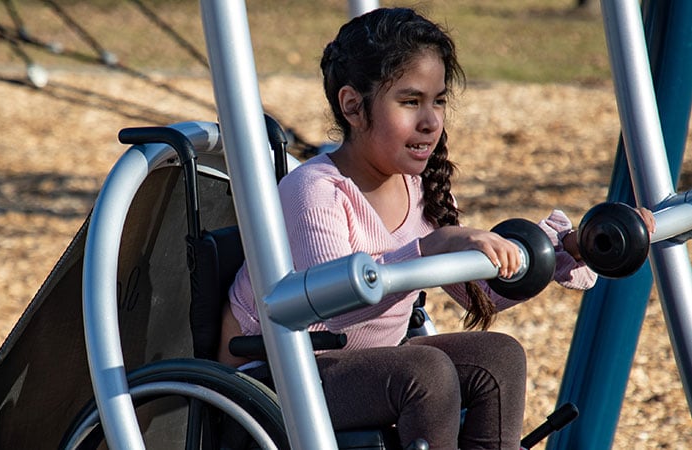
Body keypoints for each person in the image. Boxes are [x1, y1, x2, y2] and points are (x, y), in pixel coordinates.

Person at [216, 7, 656, 450]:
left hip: (356, 368)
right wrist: (430, 249)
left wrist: (569, 249)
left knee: (498, 358)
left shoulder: (420, 187)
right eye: (410, 102)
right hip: (270, 378)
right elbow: (333, 313)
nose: (430, 121)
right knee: (426, 375)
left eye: (438, 100)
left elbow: (476, 294)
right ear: (353, 106)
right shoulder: (315, 191)